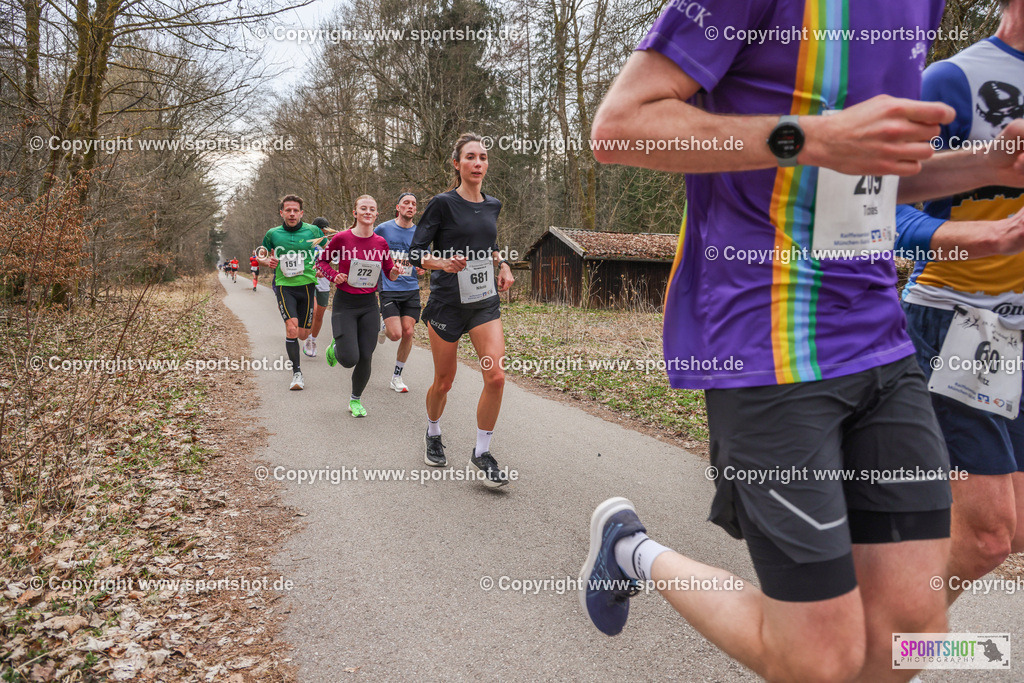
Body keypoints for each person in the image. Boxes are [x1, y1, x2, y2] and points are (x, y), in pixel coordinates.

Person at [577, 2, 1024, 682]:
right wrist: (805, 138)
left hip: (880, 335)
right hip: (764, 333)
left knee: (914, 632)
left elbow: (874, 170)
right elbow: (620, 127)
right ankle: (632, 549)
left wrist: (986, 165)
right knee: (819, 659)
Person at [896, 0, 1024, 605]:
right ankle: (888, 649)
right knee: (988, 537)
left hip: (1019, 332)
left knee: (1012, 530)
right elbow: (875, 204)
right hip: (959, 318)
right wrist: (976, 237)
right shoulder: (953, 80)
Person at [409, 133, 515, 487]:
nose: (478, 163)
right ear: (457, 164)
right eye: (470, 157)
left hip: (483, 301)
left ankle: (482, 453)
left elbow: (490, 243)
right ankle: (433, 432)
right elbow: (415, 252)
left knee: (496, 376)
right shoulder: (442, 203)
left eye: (483, 157)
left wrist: (502, 265)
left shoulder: (493, 204)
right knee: (444, 382)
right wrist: (442, 264)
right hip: (447, 304)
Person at [318, 195, 400, 417]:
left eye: (371, 209)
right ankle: (336, 348)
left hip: (369, 305)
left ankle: (355, 400)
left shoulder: (381, 243)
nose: (367, 212)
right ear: (355, 213)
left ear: (376, 214)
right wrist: (334, 275)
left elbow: (389, 272)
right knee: (349, 359)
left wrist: (393, 273)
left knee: (366, 355)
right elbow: (322, 261)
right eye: (363, 208)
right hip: (345, 304)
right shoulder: (342, 239)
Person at [258, 194, 326, 391]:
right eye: (288, 210)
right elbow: (260, 255)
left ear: (302, 213)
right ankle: (297, 373)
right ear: (281, 213)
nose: (292, 213)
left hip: (307, 285)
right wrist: (265, 261)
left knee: (304, 334)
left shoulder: (313, 231)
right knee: (292, 329)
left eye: (296, 210)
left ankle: (302, 345)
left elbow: (328, 252)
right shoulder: (273, 234)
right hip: (284, 285)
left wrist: (322, 267)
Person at [375, 192, 424, 393]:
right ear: (398, 207)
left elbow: (424, 257)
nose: (410, 206)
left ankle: (397, 376)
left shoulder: (420, 232)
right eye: (406, 203)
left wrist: (422, 267)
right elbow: (370, 245)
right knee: (395, 334)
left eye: (413, 203)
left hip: (411, 288)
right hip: (389, 287)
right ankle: (383, 324)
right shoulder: (383, 228)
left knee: (408, 331)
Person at [305, 216, 336, 358]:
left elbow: (335, 260)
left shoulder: (329, 244)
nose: (323, 234)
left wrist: (326, 271)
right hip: (309, 280)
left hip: (324, 282)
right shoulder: (307, 242)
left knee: (319, 315)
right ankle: (305, 334)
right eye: (321, 231)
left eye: (325, 231)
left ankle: (312, 340)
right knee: (314, 309)